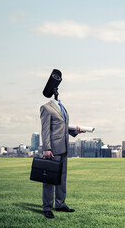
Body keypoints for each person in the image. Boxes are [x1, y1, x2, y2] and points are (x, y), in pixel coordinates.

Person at [40, 70, 84, 219]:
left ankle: (60, 204)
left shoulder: (62, 107)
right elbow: (45, 130)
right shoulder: (46, 108)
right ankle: (47, 207)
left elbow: (63, 126)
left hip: (64, 147)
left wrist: (75, 131)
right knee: (49, 180)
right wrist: (46, 148)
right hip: (52, 149)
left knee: (61, 178)